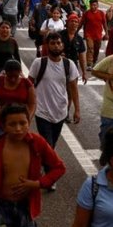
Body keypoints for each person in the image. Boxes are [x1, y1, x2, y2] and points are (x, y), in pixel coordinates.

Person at [28, 32, 80, 191]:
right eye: (53, 43)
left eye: (58, 43)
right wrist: (28, 107)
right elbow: (29, 84)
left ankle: (40, 165)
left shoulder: (69, 64)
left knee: (51, 146)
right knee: (48, 145)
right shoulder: (39, 63)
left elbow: (73, 88)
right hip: (42, 111)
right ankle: (50, 178)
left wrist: (77, 110)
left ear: (62, 45)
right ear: (47, 46)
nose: (56, 46)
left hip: (60, 112)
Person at [0, 59, 36, 138]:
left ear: (20, 72)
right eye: (10, 76)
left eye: (16, 76)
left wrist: (28, 119)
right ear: (5, 72)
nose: (13, 79)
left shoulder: (27, 83)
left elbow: (32, 103)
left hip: (19, 126)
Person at [59, 13, 87, 84]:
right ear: (67, 23)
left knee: (72, 88)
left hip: (73, 67)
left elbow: (82, 57)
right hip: (59, 65)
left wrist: (84, 72)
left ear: (78, 24)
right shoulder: (59, 35)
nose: (74, 23)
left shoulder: (79, 39)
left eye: (76, 22)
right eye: (72, 21)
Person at [80, 0, 108, 69]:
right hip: (89, 34)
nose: (93, 7)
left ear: (97, 5)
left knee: (96, 49)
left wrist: (106, 34)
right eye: (91, 5)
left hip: (98, 35)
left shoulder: (101, 13)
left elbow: (104, 24)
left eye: (95, 5)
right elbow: (81, 23)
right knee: (90, 48)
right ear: (89, 5)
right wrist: (76, 31)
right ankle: (89, 64)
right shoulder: (86, 13)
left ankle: (94, 61)